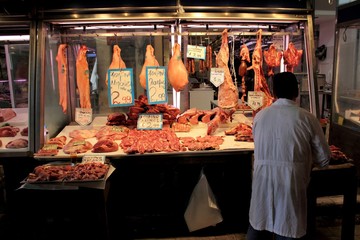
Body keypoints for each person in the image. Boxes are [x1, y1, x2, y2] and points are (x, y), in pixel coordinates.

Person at [247, 72, 331, 240]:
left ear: (274, 92)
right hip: (291, 185)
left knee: (258, 226)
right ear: (297, 91)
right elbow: (324, 159)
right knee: (287, 228)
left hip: (262, 184)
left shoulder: (260, 117)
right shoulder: (307, 118)